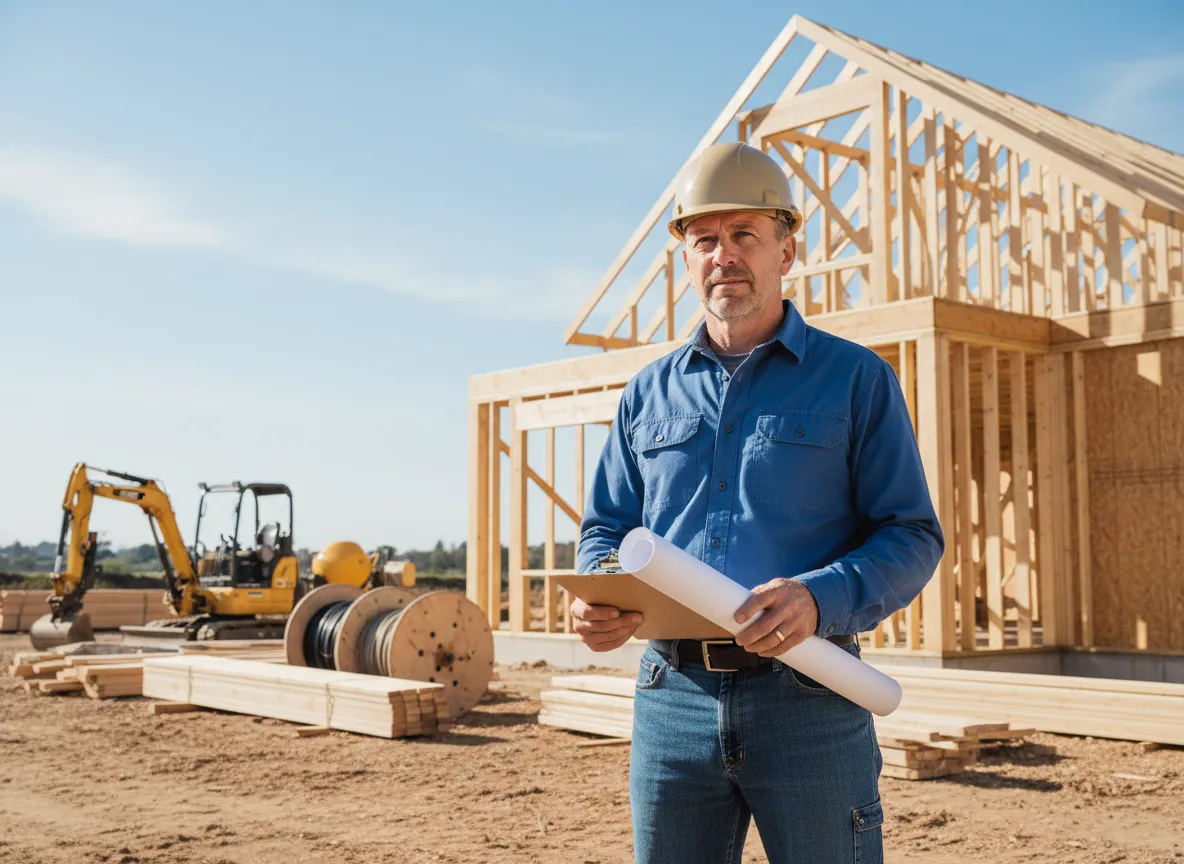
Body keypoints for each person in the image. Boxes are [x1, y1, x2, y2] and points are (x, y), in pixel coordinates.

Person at [572, 141, 944, 864]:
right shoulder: (648, 392)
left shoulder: (856, 379)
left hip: (810, 692)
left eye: (745, 234)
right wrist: (600, 593)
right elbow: (606, 529)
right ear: (686, 259)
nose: (724, 255)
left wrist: (819, 596)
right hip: (672, 697)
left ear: (788, 250)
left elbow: (911, 533)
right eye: (704, 239)